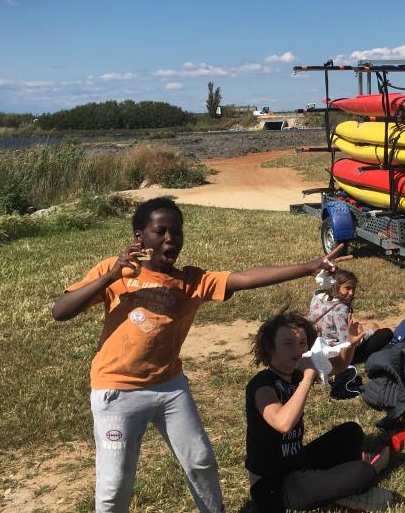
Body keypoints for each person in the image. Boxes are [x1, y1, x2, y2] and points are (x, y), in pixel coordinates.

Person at [51, 197, 350, 513]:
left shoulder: (190, 281)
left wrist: (309, 267)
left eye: (176, 232)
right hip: (116, 391)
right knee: (114, 488)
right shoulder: (117, 273)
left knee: (201, 461)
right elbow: (61, 310)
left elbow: (247, 277)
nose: (170, 239)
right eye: (160, 231)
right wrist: (111, 276)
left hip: (169, 387)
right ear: (139, 237)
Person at [246, 310, 389, 512]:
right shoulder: (262, 385)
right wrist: (307, 378)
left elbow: (339, 365)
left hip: (297, 462)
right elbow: (283, 423)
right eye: (288, 344)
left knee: (351, 432)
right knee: (362, 472)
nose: (297, 350)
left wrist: (350, 343)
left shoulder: (295, 372)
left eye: (302, 343)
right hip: (273, 486)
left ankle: (335, 484)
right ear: (270, 348)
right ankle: (347, 488)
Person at [309, 269, 392, 364]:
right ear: (336, 286)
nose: (351, 293)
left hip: (315, 349)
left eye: (354, 288)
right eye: (347, 288)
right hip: (334, 357)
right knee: (386, 334)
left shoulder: (317, 297)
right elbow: (347, 343)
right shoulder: (340, 308)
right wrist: (370, 332)